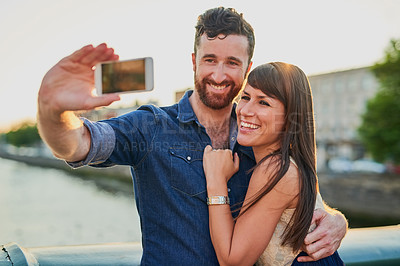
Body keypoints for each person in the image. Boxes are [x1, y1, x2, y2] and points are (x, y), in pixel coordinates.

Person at [37, 7, 347, 265]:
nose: (219, 74)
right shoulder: (152, 126)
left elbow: (295, 191)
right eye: (210, 59)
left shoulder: (260, 134)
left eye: (232, 63)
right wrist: (53, 112)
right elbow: (78, 144)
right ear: (194, 62)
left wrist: (334, 219)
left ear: (247, 68)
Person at [203, 62, 344, 265]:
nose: (246, 110)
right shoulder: (291, 162)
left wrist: (216, 181)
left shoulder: (276, 169)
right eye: (245, 97)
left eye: (264, 103)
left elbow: (233, 261)